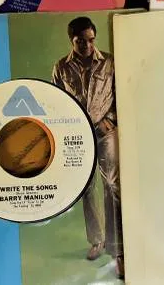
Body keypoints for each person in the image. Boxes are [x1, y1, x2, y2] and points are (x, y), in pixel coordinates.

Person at [51, 17, 124, 279]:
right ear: (71, 40)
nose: (87, 45)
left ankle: (117, 248)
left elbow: (121, 92)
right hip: (79, 135)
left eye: (91, 40)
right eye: (81, 41)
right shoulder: (61, 67)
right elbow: (56, 102)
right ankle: (97, 240)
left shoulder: (110, 62)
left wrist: (110, 120)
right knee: (86, 187)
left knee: (113, 185)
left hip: (106, 132)